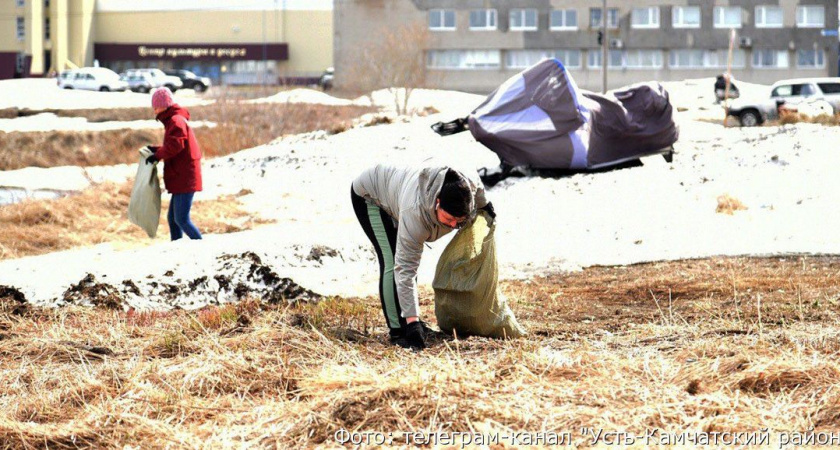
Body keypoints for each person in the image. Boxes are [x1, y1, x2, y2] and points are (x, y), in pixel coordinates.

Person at [351, 162, 495, 350]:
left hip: (398, 192)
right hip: (370, 194)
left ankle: (409, 321)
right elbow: (405, 269)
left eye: (458, 221)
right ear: (437, 203)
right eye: (449, 219)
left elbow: (478, 189)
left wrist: (485, 206)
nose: (453, 225)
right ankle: (398, 331)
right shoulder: (415, 214)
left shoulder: (468, 185)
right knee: (392, 260)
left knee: (406, 259)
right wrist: (413, 325)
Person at [145, 87, 203, 241]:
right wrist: (156, 150)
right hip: (181, 176)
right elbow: (173, 145)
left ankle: (202, 246)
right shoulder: (174, 120)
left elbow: (176, 145)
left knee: (182, 219)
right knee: (173, 219)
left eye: (156, 106)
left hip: (185, 177)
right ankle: (177, 247)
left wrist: (157, 156)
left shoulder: (176, 121)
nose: (154, 110)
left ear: (165, 105)